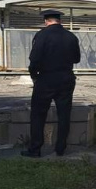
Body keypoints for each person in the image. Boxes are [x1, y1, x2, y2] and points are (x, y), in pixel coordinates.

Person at [22, 10, 81, 157]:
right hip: (66, 78)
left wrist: (34, 76)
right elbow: (76, 59)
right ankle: (60, 148)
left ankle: (35, 149)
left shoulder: (41, 35)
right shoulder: (71, 36)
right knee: (64, 114)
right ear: (59, 21)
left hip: (46, 79)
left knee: (38, 114)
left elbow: (34, 60)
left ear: (46, 21)